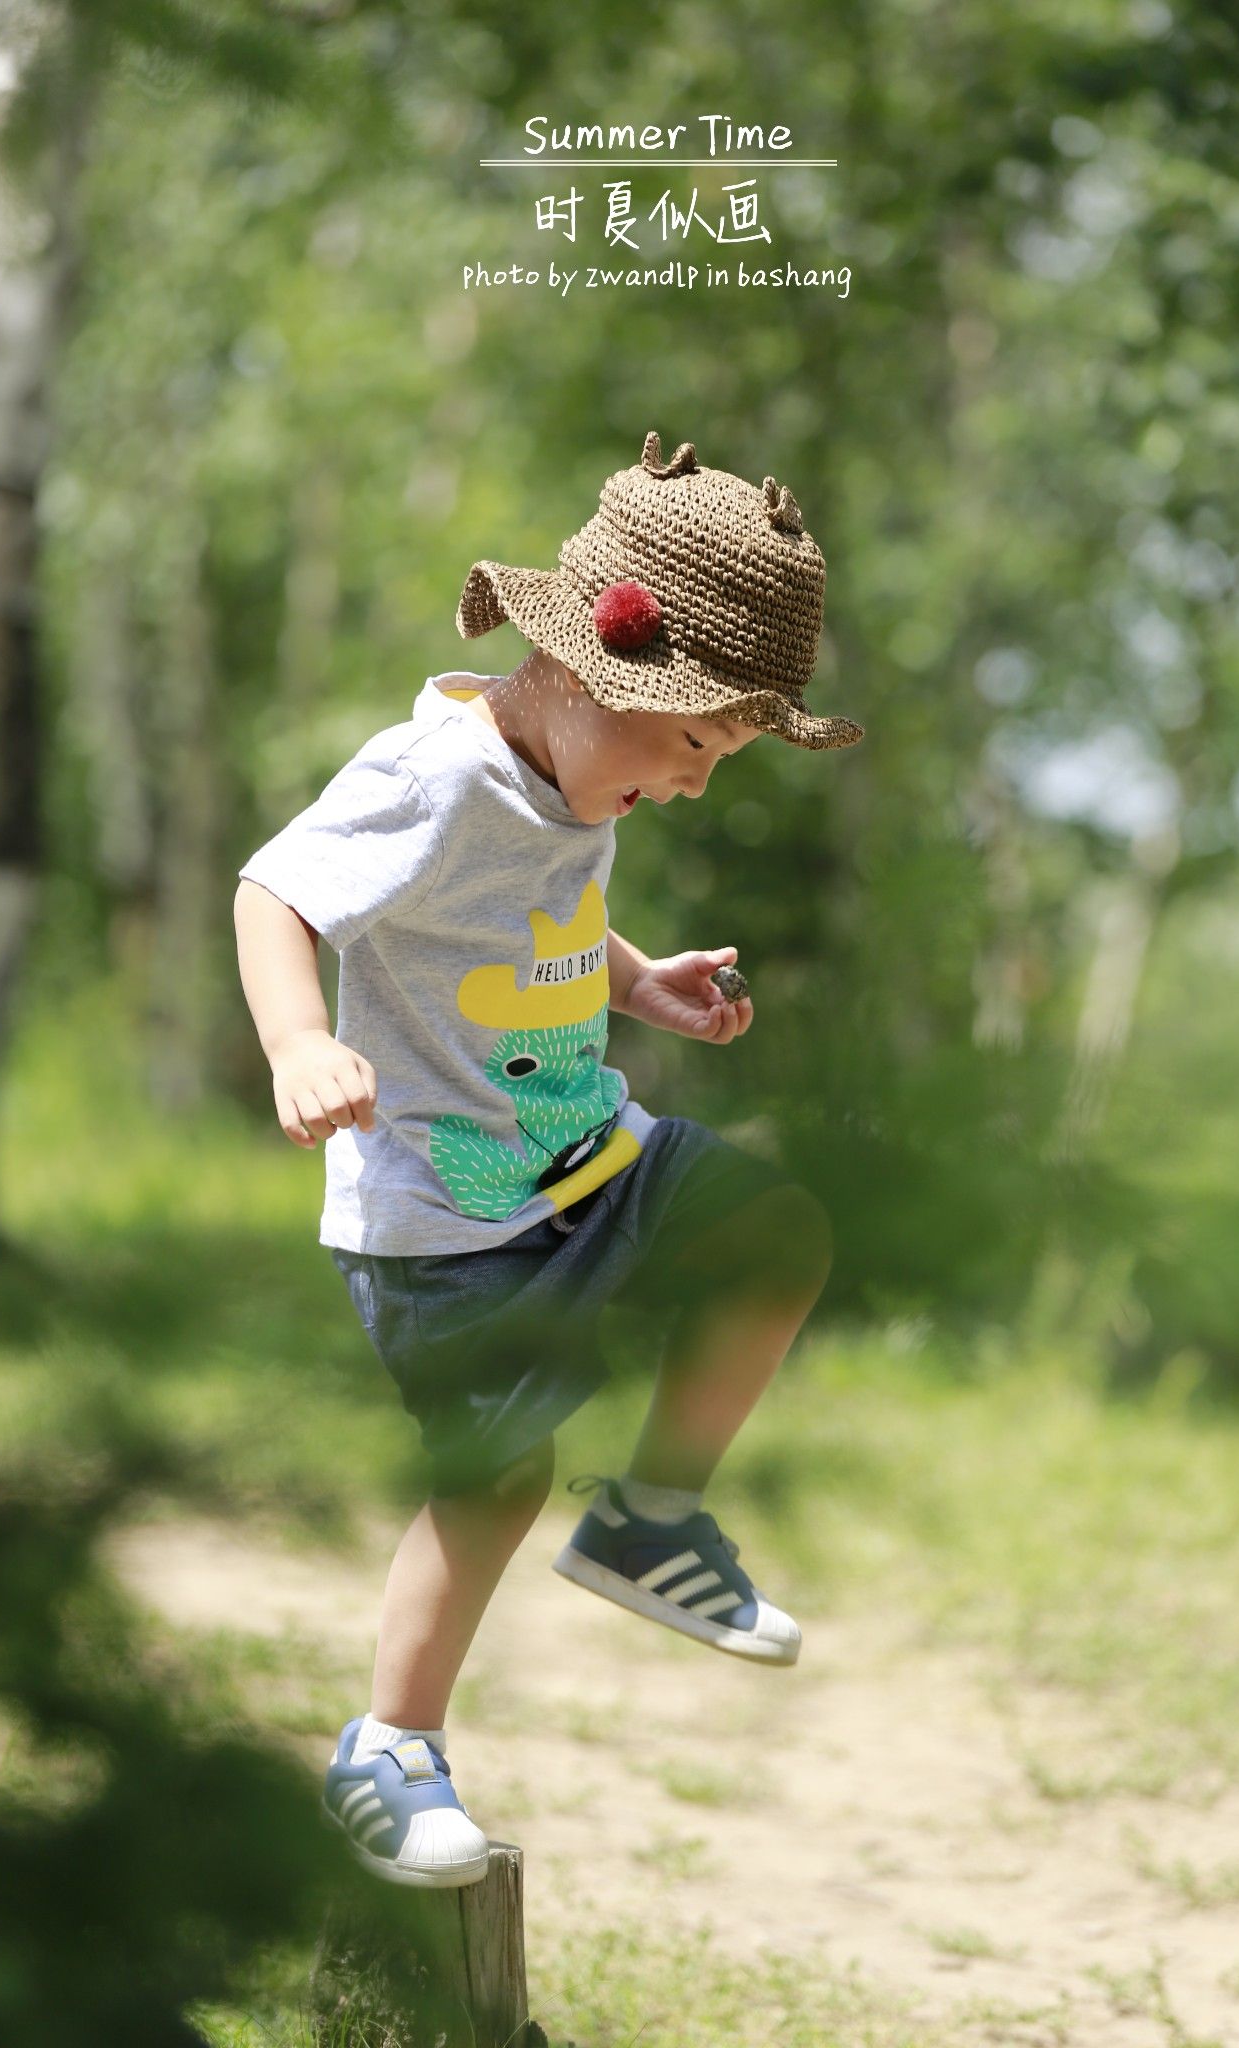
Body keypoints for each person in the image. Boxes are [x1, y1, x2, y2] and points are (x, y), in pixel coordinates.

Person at [233, 428, 864, 1888]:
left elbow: (541, 911)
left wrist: (633, 986)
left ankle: (650, 1521)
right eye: (695, 747)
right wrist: (290, 1046)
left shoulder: (572, 776)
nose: (697, 787)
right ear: (591, 674)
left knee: (773, 1231)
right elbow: (277, 888)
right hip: (442, 1212)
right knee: (495, 1476)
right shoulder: (428, 777)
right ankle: (387, 1746)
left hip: (583, 1151)